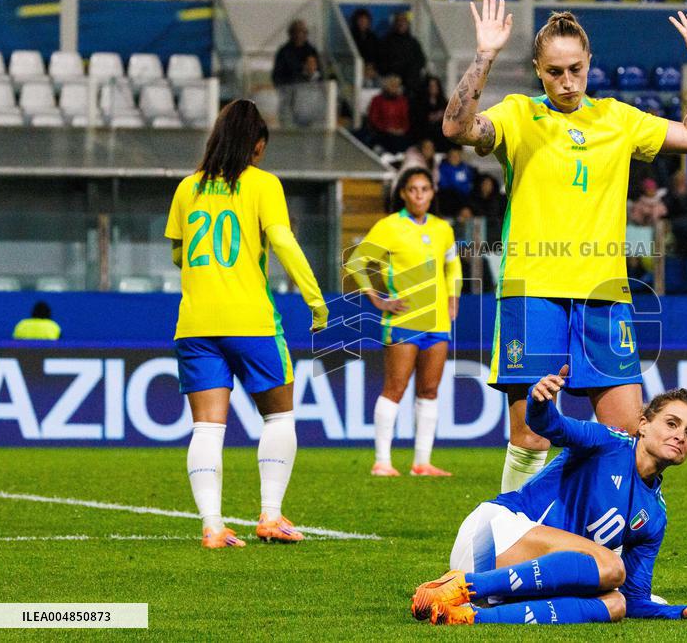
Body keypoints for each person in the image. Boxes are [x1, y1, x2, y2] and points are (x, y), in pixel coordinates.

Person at [442, 0, 687, 492]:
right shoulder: (519, 114)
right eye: (554, 72)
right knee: (531, 437)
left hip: (603, 296)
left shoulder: (619, 119)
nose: (567, 81)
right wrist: (484, 57)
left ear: (589, 62)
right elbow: (457, 128)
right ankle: (510, 530)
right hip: (533, 293)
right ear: (538, 70)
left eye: (575, 69)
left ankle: (611, 534)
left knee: (628, 436)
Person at [409, 367, 687, 626]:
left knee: (615, 604)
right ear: (642, 424)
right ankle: (462, 585)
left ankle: (469, 616)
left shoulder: (654, 515)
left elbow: (635, 598)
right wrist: (539, 402)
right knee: (611, 565)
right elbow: (555, 427)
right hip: (493, 535)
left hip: (515, 578)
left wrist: (683, 611)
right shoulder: (608, 443)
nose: (680, 436)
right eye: (671, 423)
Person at [165, 100, 328, 548]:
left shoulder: (187, 188)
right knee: (279, 416)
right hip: (251, 320)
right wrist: (316, 301)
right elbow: (283, 242)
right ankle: (270, 516)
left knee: (206, 428)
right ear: (256, 146)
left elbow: (179, 254)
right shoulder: (263, 184)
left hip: (195, 324)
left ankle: (212, 527)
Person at [345, 167, 461, 478]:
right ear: (403, 193)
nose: (419, 195)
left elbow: (453, 266)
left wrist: (454, 296)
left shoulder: (443, 229)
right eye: (413, 189)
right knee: (395, 388)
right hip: (403, 320)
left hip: (437, 322)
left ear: (432, 193)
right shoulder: (389, 227)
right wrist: (376, 298)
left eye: (425, 189)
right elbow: (355, 261)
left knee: (430, 390)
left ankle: (422, 463)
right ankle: (382, 461)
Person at [271, 20, 324, 127]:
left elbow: (320, 75)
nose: (299, 35)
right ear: (291, 33)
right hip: (289, 96)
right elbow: (277, 76)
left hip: (310, 100)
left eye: (302, 32)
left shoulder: (311, 51)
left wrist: (311, 74)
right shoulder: (284, 52)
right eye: (296, 32)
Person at [378, 11, 427, 92]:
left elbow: (421, 60)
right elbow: (382, 62)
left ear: (407, 24)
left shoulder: (413, 42)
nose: (401, 24)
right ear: (394, 24)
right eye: (398, 21)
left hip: (411, 82)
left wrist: (411, 72)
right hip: (392, 82)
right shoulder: (386, 41)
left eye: (403, 21)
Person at [367, 75, 411, 154]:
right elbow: (373, 119)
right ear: (386, 87)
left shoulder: (402, 101)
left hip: (399, 133)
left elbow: (405, 119)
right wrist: (387, 129)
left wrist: (401, 130)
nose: (395, 88)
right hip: (382, 132)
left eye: (396, 86)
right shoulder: (377, 100)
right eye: (392, 85)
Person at [410, 76, 449, 149]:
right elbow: (419, 118)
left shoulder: (443, 101)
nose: (433, 88)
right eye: (431, 86)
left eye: (435, 86)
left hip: (440, 131)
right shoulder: (420, 101)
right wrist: (434, 116)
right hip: (425, 131)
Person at [437, 145, 475, 217]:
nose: (455, 158)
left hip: (466, 199)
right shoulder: (442, 168)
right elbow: (444, 187)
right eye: (452, 155)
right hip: (450, 199)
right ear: (448, 156)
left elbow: (470, 184)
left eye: (457, 155)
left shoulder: (466, 168)